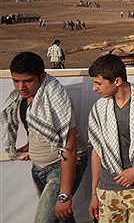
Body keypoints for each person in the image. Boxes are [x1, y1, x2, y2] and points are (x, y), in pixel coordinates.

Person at [1, 52, 88, 223]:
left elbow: (69, 148)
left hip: (61, 166)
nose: (21, 87)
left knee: (44, 220)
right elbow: (35, 126)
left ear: (42, 76)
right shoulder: (22, 98)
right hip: (38, 167)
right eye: (16, 81)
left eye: (27, 81)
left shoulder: (57, 101)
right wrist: (30, 145)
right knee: (62, 217)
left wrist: (64, 195)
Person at [87, 54, 134, 223]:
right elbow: (96, 152)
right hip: (108, 189)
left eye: (98, 83)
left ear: (117, 81)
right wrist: (94, 193)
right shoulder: (98, 110)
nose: (94, 88)